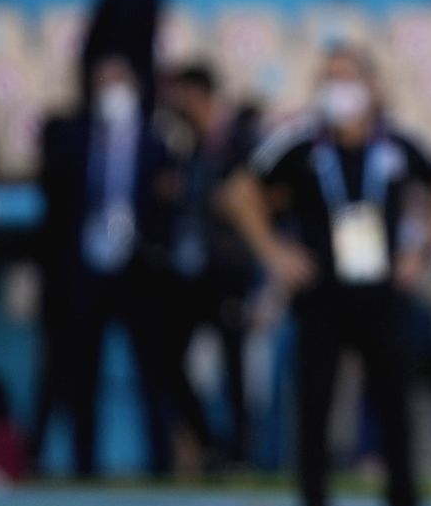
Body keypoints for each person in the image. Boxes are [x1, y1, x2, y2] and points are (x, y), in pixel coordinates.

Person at [223, 46, 431, 506]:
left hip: (382, 292)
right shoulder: (301, 142)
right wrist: (274, 253)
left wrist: (421, 249)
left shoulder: (396, 141)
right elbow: (240, 191)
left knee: (395, 406)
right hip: (321, 294)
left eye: (348, 78)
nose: (339, 89)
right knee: (314, 407)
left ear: (371, 86)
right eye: (330, 78)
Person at [28, 53, 179, 477]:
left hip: (139, 267)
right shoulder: (74, 137)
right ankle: (84, 463)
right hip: (84, 266)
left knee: (152, 368)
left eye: (118, 82)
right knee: (81, 368)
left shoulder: (156, 141)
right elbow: (54, 199)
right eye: (103, 83)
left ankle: (160, 464)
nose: (111, 92)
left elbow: (168, 203)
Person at [159, 62, 261, 466]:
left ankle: (238, 452)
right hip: (194, 273)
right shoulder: (191, 145)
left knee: (235, 363)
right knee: (170, 356)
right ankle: (209, 440)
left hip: (230, 269)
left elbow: (257, 195)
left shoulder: (238, 139)